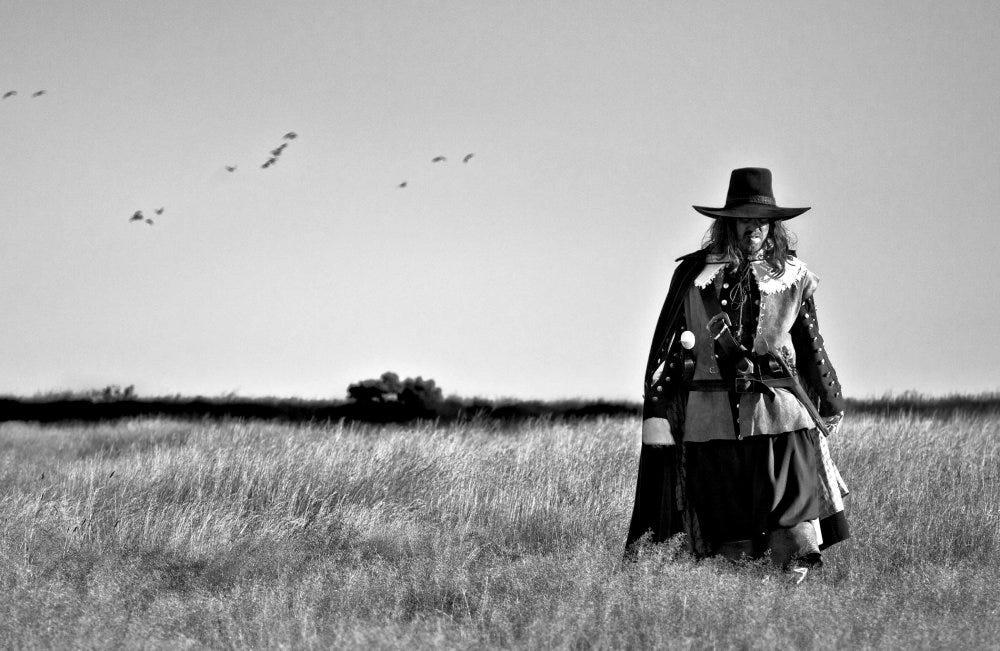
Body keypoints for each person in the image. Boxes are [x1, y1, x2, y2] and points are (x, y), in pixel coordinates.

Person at [624, 167, 850, 582]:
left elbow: (811, 342)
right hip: (711, 420)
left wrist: (830, 398)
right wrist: (659, 402)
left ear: (773, 226)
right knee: (729, 530)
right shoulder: (693, 275)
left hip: (779, 416)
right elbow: (671, 346)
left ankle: (789, 613)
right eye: (745, 218)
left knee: (792, 520)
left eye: (762, 220)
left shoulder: (794, 276)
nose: (754, 227)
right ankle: (741, 611)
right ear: (728, 222)